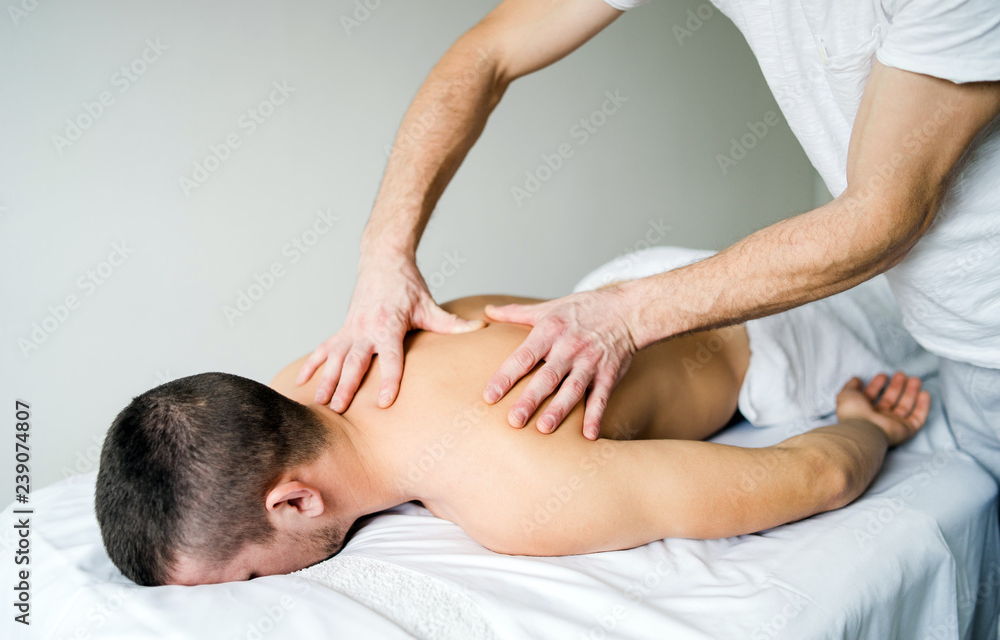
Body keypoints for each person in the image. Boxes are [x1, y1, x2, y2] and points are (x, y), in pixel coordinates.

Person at [294, 0, 1000, 482]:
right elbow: (488, 53)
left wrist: (627, 315)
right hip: (928, 313)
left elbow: (883, 216)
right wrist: (383, 254)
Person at [95, 289, 929, 586]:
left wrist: (864, 426)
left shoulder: (517, 496)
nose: (255, 589)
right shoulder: (305, 379)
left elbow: (813, 479)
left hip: (761, 344)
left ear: (296, 499)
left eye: (244, 575)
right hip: (612, 298)